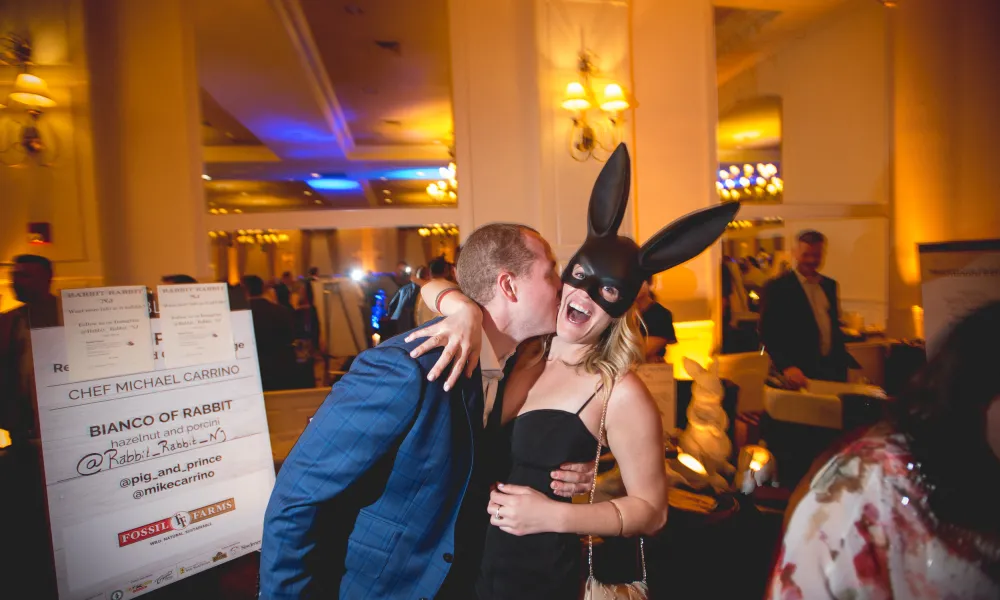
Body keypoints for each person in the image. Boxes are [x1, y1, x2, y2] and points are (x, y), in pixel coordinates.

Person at [410, 144, 739, 599]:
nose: (586, 293)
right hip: (460, 567)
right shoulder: (519, 349)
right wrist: (462, 309)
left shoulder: (618, 391)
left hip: (536, 580)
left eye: (609, 290)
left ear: (622, 306)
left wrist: (555, 515)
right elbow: (427, 286)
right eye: (580, 275)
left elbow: (653, 511)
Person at [259, 224, 593, 599]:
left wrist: (572, 472)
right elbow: (297, 499)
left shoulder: (509, 366)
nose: (561, 286)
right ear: (509, 286)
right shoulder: (407, 368)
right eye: (550, 273)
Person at [768, 301, 1000, 599]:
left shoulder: (827, 287)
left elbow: (832, 338)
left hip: (828, 376)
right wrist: (790, 367)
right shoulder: (872, 491)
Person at [759, 230, 854, 388]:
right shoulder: (777, 287)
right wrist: (786, 366)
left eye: (816, 255)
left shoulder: (830, 285)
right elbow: (767, 332)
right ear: (795, 253)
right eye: (806, 255)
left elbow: (833, 326)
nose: (811, 260)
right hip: (797, 373)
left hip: (832, 371)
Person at [242, 275, 298, 391]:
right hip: (279, 366)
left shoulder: (239, 314)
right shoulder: (281, 311)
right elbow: (291, 337)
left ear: (245, 290)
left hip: (251, 369)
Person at [635, 278, 677, 362]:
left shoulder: (661, 314)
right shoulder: (620, 313)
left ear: (648, 283)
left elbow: (643, 352)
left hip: (649, 368)